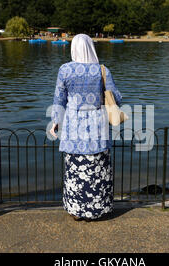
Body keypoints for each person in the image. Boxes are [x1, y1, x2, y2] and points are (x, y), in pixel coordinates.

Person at [49, 34, 122, 221]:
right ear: (91, 47)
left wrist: (56, 121)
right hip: (97, 125)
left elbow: (59, 100)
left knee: (75, 168)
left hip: (74, 125)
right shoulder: (102, 70)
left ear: (74, 48)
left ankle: (76, 211)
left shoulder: (65, 70)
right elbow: (116, 98)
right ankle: (98, 209)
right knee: (98, 167)